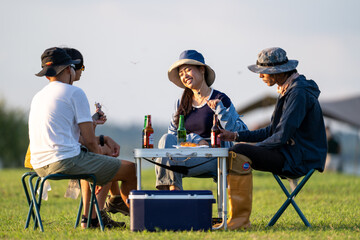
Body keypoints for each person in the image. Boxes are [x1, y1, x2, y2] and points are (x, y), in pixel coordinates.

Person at [219, 47, 328, 230]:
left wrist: (254, 149)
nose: (260, 76)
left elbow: (281, 135)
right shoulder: (289, 89)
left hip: (299, 158)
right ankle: (233, 218)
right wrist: (236, 136)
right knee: (238, 149)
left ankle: (238, 222)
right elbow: (273, 131)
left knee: (238, 153)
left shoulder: (298, 93)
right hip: (291, 152)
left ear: (277, 72)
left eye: (263, 72)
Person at [29, 47, 137, 229]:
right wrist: (100, 163)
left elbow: (71, 138)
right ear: (68, 69)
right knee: (131, 170)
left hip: (39, 166)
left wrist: (100, 147)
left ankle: (93, 220)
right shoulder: (74, 93)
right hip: (66, 162)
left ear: (47, 75)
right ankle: (138, 218)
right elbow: (88, 140)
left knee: (101, 159)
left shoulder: (38, 97)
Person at [155, 50, 247, 191]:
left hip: (214, 156)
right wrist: (195, 139)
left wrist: (220, 111)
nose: (184, 76)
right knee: (165, 140)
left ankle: (170, 199)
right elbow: (173, 136)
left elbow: (238, 131)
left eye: (187, 70)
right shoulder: (180, 102)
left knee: (163, 162)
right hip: (185, 155)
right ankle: (173, 195)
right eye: (180, 74)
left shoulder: (221, 99)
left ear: (202, 69)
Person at [63, 48, 130, 218]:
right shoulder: (73, 94)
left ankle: (103, 208)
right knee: (107, 158)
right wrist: (100, 144)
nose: (82, 73)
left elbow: (74, 135)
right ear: (71, 68)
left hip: (46, 157)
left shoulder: (51, 95)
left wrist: (94, 126)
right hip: (65, 158)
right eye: (82, 68)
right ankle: (96, 215)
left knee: (104, 152)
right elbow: (83, 141)